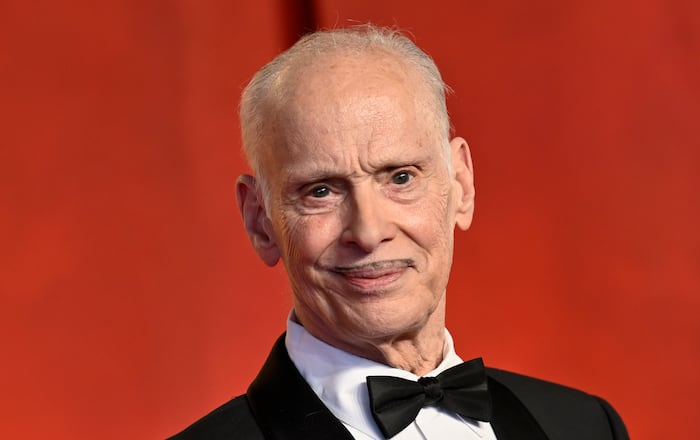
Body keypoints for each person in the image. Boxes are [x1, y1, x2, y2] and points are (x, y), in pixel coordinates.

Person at [171, 25, 629, 440]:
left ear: (461, 186)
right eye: (321, 191)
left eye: (401, 177)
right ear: (260, 221)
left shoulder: (585, 426)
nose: (369, 232)